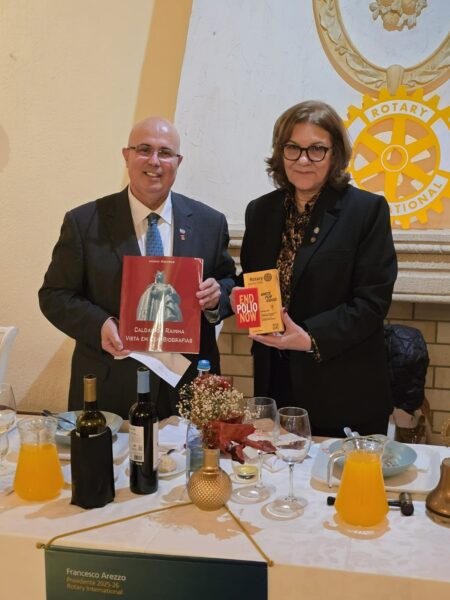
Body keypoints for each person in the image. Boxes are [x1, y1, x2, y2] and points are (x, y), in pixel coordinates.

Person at [39, 117, 235, 420]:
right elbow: (54, 295)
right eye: (144, 149)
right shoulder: (84, 222)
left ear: (178, 161)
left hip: (189, 385)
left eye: (165, 152)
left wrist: (216, 296)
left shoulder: (210, 223)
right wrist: (101, 324)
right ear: (126, 155)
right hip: (111, 386)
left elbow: (229, 282)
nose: (154, 161)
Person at [234, 100, 397, 437]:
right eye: (293, 148)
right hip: (274, 383)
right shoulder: (260, 211)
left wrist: (310, 338)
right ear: (281, 152)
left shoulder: (366, 211)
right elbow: (252, 280)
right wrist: (234, 296)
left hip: (343, 389)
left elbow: (372, 303)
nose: (303, 160)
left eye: (316, 149)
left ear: (335, 154)